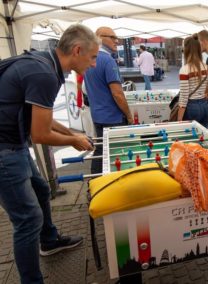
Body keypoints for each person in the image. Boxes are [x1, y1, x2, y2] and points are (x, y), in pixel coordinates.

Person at [0, 24, 98, 284]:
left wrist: (74, 134)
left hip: (14, 144)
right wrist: (73, 141)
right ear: (77, 50)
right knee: (27, 219)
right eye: (92, 57)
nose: (94, 64)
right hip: (4, 150)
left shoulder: (45, 64)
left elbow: (44, 118)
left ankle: (49, 241)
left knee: (42, 190)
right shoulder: (43, 73)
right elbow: (40, 134)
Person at [84, 26, 133, 175]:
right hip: (113, 118)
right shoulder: (107, 60)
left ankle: (94, 184)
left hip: (98, 115)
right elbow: (118, 94)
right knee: (118, 155)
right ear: (99, 37)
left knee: (100, 152)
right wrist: (129, 115)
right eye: (112, 37)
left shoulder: (89, 59)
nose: (116, 41)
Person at [177, 34, 208, 127]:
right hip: (204, 107)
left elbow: (183, 98)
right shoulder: (207, 68)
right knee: (201, 137)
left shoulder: (185, 70)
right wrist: (203, 96)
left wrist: (179, 119)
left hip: (191, 108)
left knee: (189, 138)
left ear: (186, 51)